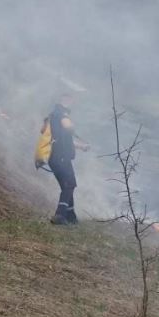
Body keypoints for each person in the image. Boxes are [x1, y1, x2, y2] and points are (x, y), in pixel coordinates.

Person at [48, 94, 89, 225]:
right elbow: (68, 126)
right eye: (68, 97)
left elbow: (64, 140)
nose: (72, 100)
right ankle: (60, 215)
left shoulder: (55, 117)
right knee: (69, 184)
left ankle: (71, 216)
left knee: (68, 185)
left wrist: (82, 146)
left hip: (57, 157)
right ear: (61, 99)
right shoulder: (59, 113)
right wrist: (69, 123)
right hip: (60, 157)